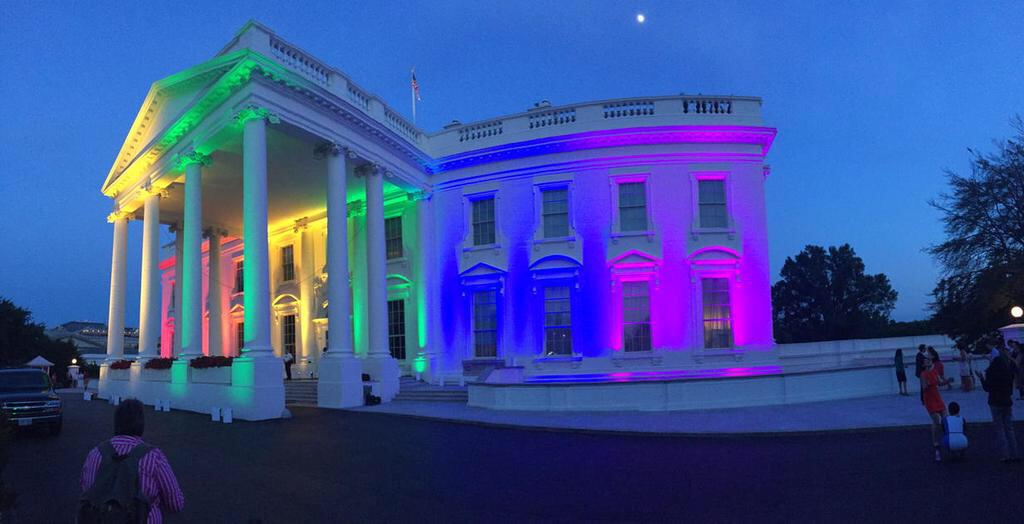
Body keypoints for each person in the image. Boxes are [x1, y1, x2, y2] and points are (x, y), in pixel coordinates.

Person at [80, 398, 184, 522]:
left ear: (116, 422)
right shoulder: (154, 457)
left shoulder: (95, 454)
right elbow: (176, 503)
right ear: (141, 424)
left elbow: (86, 490)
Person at [976, 343, 1021, 463]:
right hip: (1007, 402)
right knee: (1009, 429)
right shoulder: (1008, 373)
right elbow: (1011, 389)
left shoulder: (990, 372)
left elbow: (987, 388)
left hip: (995, 402)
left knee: (1000, 429)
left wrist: (981, 378)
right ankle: (1015, 453)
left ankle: (1005, 455)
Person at [921, 352, 953, 462]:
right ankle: (935, 441)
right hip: (929, 398)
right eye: (926, 361)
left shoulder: (935, 371)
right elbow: (924, 387)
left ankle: (947, 436)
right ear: (924, 365)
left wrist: (948, 381)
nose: (929, 361)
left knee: (945, 417)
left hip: (937, 396)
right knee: (936, 420)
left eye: (929, 360)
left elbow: (940, 383)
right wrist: (929, 383)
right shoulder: (923, 374)